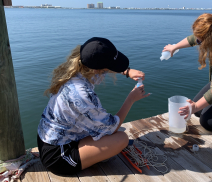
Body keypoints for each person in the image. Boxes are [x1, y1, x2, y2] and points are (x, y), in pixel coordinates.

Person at [37, 37, 150, 175]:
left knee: (105, 132)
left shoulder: (78, 71)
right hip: (59, 157)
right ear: (98, 69)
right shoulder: (82, 95)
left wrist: (126, 71)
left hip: (50, 139)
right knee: (121, 138)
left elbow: (102, 68)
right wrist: (131, 99)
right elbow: (112, 128)